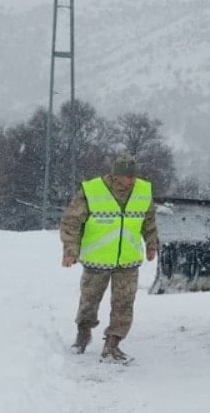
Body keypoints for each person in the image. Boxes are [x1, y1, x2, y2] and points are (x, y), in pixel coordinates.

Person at [60, 153, 158, 362]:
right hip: (97, 259)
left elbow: (148, 221)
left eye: (133, 176)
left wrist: (151, 244)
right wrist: (70, 250)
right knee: (89, 300)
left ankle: (113, 344)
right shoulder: (92, 190)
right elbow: (71, 221)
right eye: (126, 177)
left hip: (128, 260)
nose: (131, 181)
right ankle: (83, 333)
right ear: (115, 175)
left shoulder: (142, 190)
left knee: (124, 304)